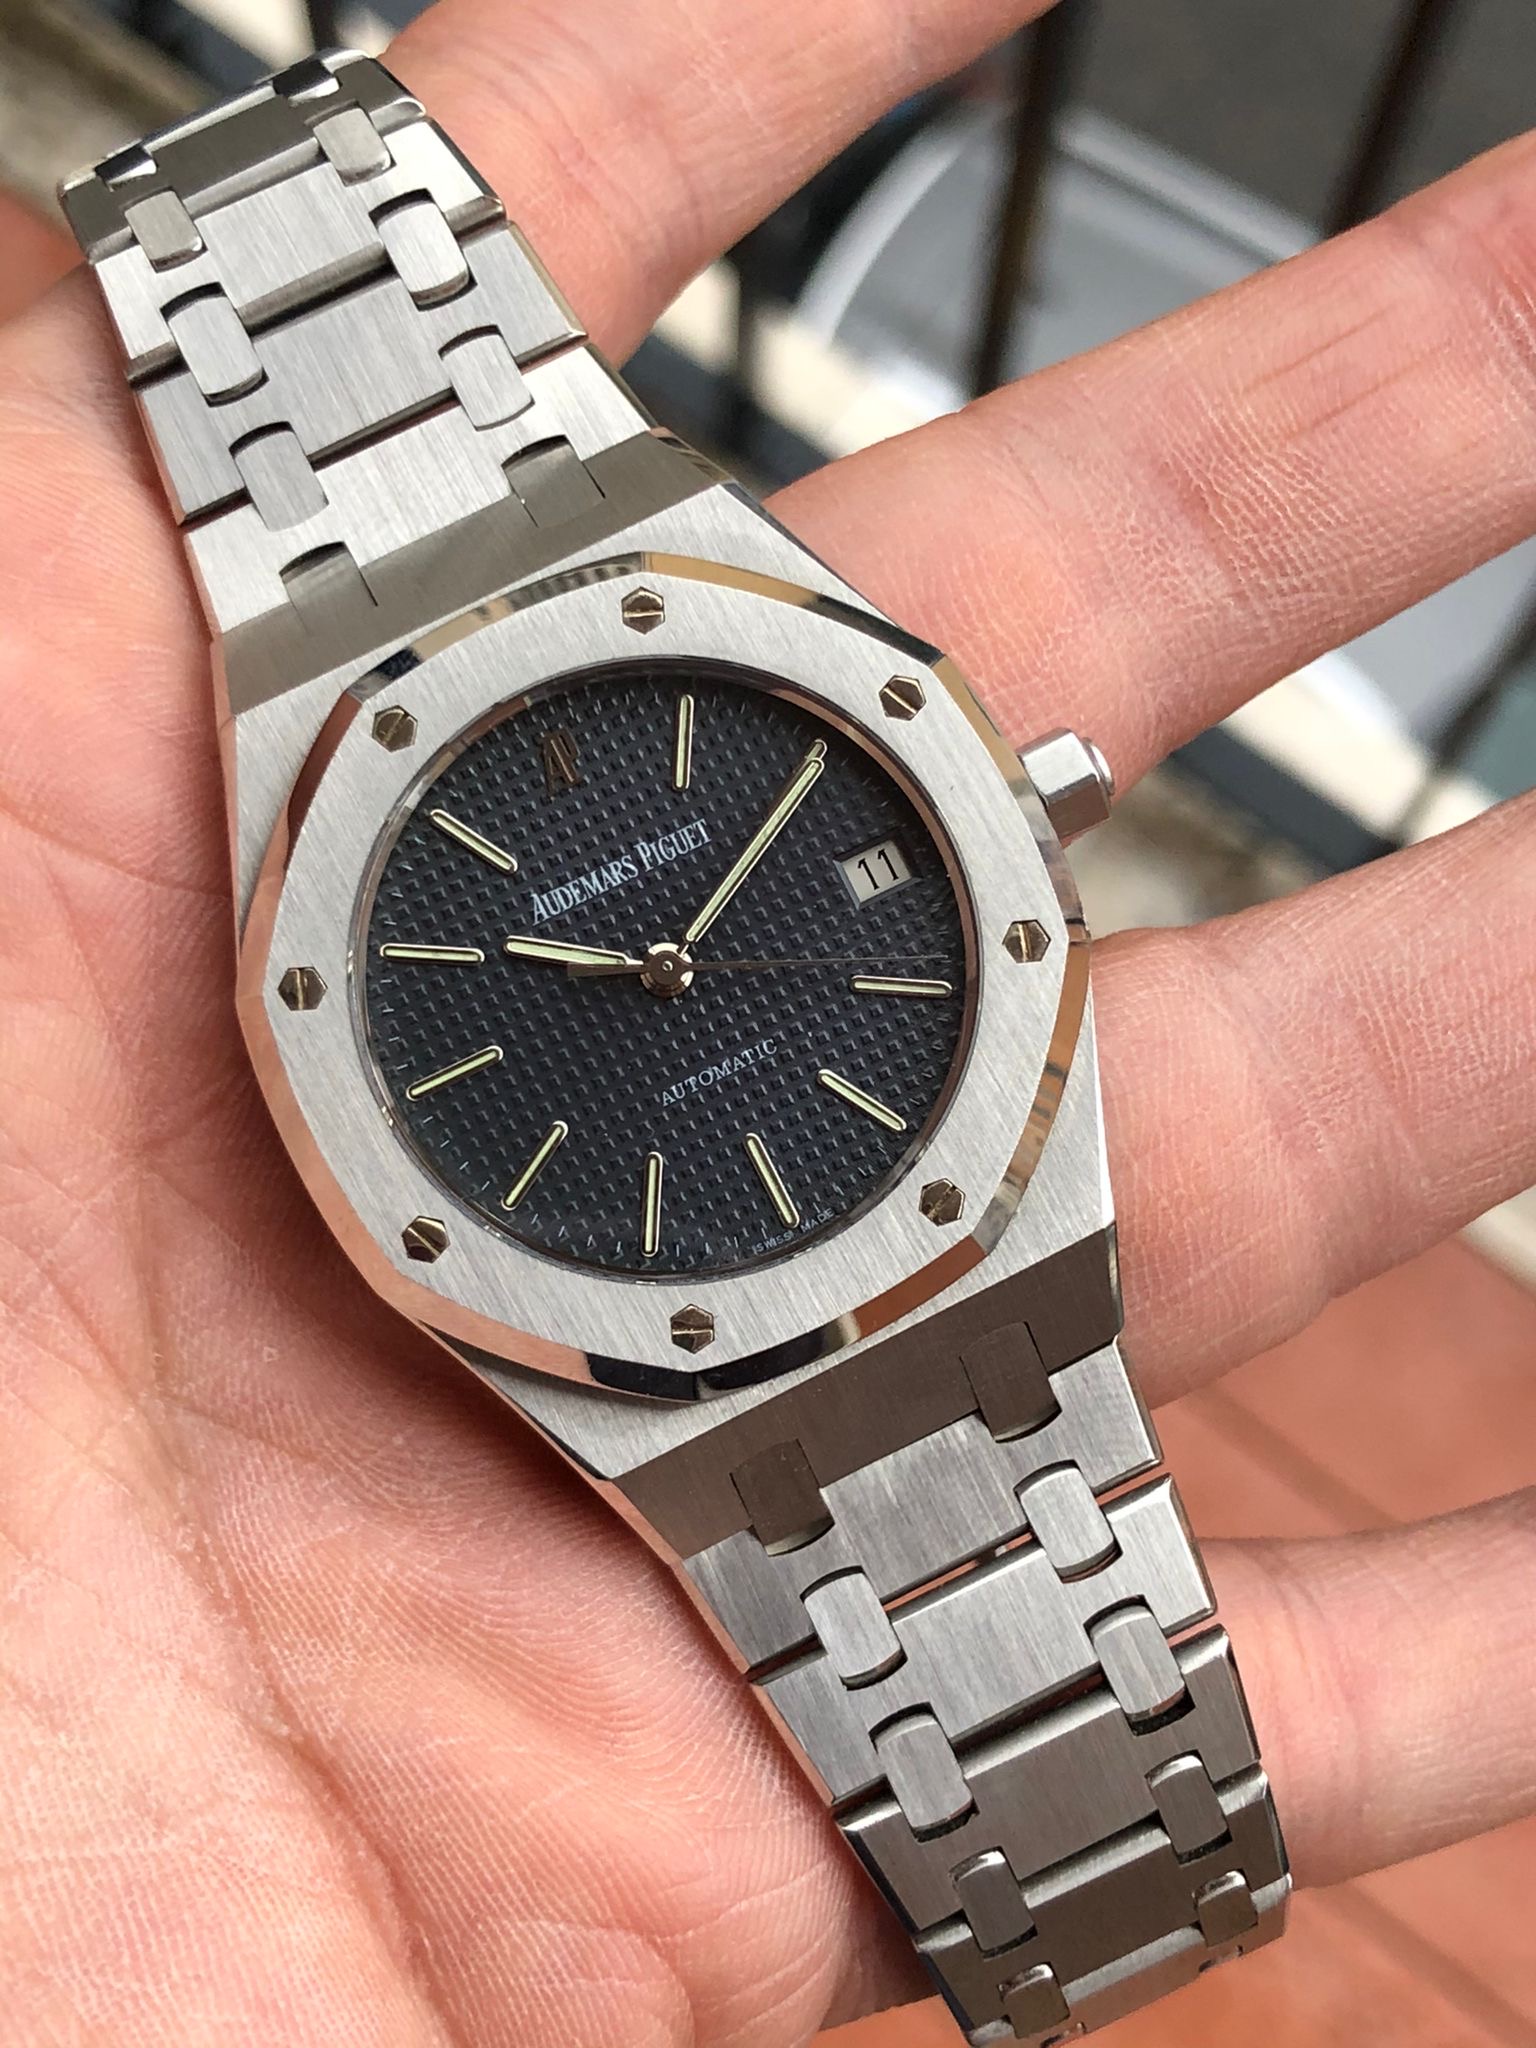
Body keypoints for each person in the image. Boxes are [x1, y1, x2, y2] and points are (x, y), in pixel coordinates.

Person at [1, 1, 1533, 2041]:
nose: (665, 966)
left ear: (1019, 810)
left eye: (682, 948)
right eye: (639, 970)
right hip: (656, 1288)